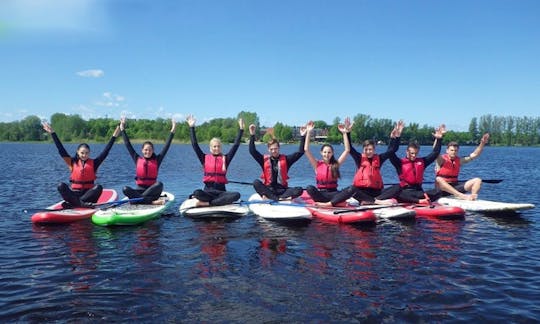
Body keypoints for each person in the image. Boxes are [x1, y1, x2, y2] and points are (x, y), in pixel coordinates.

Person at [317, 120, 405, 207]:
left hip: (377, 192)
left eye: (370, 149)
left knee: (398, 187)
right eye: (366, 150)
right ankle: (375, 201)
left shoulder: (380, 158)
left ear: (374, 150)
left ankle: (372, 201)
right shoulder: (359, 158)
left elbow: (392, 150)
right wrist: (347, 133)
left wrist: (397, 137)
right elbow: (350, 148)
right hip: (361, 192)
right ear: (363, 150)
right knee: (352, 189)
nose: (368, 152)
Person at [42, 121, 120, 208]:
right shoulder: (72, 162)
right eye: (82, 153)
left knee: (99, 187)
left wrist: (114, 136)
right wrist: (53, 133)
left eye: (86, 153)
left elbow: (106, 151)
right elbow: (61, 149)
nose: (84, 155)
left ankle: (74, 204)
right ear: (78, 152)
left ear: (89, 153)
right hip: (75, 194)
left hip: (89, 196)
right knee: (61, 186)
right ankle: (81, 204)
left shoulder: (94, 163)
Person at [186, 115, 244, 207]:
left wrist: (241, 129)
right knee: (197, 192)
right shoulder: (204, 158)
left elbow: (235, 146)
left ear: (221, 147)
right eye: (214, 146)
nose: (216, 148)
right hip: (208, 192)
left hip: (221, 193)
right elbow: (195, 145)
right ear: (210, 148)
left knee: (236, 195)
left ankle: (207, 204)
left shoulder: (226, 158)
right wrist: (191, 127)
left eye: (218, 146)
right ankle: (215, 202)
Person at [383, 124, 447, 204]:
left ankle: (420, 200)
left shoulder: (422, 162)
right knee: (396, 191)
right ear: (407, 152)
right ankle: (419, 201)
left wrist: (439, 139)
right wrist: (394, 138)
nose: (414, 155)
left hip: (418, 192)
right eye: (412, 153)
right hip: (405, 192)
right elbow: (390, 153)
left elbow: (435, 153)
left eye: (416, 153)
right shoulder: (399, 163)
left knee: (438, 191)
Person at [119, 116, 176, 204]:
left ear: (153, 151)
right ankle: (150, 202)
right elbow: (128, 144)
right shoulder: (137, 158)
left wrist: (173, 130)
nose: (147, 152)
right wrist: (122, 129)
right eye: (146, 150)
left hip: (153, 192)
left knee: (159, 184)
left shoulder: (157, 159)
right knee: (125, 189)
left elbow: (166, 146)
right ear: (142, 150)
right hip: (139, 191)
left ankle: (137, 201)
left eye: (150, 150)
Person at [249, 123, 307, 201]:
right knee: (256, 182)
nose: (274, 151)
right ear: (268, 150)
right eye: (271, 149)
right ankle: (278, 199)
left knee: (299, 189)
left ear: (279, 148)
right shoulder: (264, 160)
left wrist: (303, 136)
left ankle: (274, 198)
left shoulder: (286, 159)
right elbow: (252, 151)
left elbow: (300, 152)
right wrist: (252, 135)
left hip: (282, 190)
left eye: (275, 148)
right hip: (269, 190)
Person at [303, 118, 351, 203]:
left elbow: (347, 150)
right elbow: (306, 149)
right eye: (325, 152)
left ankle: (330, 203)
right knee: (309, 188)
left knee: (351, 189)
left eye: (329, 152)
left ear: (332, 153)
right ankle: (332, 202)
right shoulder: (317, 164)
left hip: (334, 194)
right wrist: (308, 132)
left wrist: (344, 133)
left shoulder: (336, 164)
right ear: (321, 153)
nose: (327, 154)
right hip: (321, 195)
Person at [434, 133, 490, 200]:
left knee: (478, 180)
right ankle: (461, 195)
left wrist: (482, 143)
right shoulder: (441, 160)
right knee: (439, 179)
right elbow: (435, 151)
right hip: (442, 189)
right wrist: (437, 138)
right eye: (452, 150)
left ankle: (473, 198)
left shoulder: (459, 160)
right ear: (447, 151)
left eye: (456, 150)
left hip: (455, 187)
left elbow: (475, 154)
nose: (454, 152)